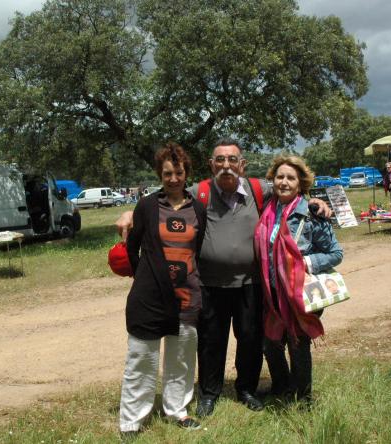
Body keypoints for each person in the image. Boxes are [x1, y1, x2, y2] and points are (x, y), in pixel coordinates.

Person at [116, 138, 332, 417]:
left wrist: (315, 200)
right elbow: (167, 192)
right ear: (211, 164)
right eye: (220, 160)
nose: (226, 165)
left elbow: (292, 190)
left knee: (250, 340)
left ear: (242, 164)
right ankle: (209, 393)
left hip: (250, 283)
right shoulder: (199, 192)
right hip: (209, 283)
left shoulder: (259, 189)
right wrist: (129, 212)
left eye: (232, 160)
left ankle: (246, 389)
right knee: (210, 342)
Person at [119, 142, 207, 434]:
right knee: (141, 359)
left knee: (181, 360)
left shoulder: (198, 209)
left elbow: (198, 250)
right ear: (160, 174)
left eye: (178, 173)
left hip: (187, 296)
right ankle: (131, 421)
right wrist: (146, 277)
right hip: (150, 298)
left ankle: (177, 410)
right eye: (167, 173)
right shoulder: (146, 206)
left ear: (186, 174)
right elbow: (132, 248)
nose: (173, 179)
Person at [254, 156, 342, 406]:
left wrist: (304, 263)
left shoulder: (312, 213)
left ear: (300, 183)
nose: (284, 182)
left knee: (297, 343)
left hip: (299, 292)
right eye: (279, 177)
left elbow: (336, 253)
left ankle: (303, 397)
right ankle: (282, 386)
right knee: (270, 342)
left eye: (290, 178)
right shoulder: (266, 208)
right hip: (271, 292)